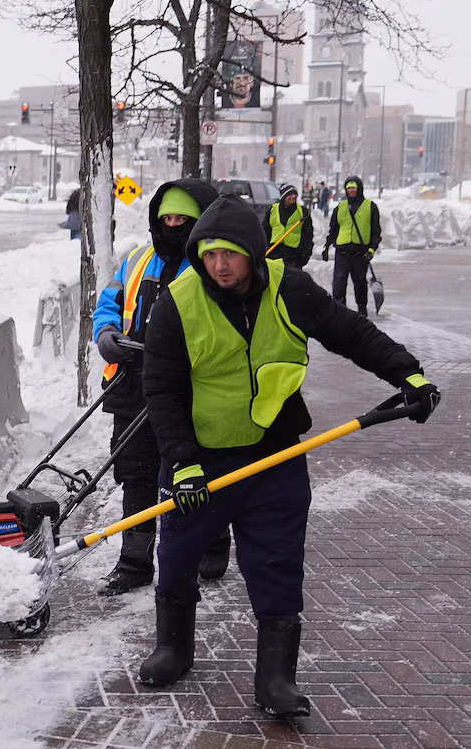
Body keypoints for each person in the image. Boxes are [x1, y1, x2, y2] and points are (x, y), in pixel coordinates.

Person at [139, 195, 439, 717]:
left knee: (277, 562)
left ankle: (276, 679)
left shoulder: (290, 288)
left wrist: (407, 373)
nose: (219, 266)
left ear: (252, 253)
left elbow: (351, 333)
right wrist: (183, 463)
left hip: (274, 457)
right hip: (198, 463)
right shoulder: (177, 302)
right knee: (180, 553)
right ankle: (175, 647)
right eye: (209, 255)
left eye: (230, 254)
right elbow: (162, 390)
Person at [92, 179, 231, 596]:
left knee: (191, 472)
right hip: (132, 382)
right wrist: (106, 332)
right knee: (135, 473)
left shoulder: (211, 266)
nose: (173, 226)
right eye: (166, 218)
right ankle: (134, 562)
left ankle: (212, 539)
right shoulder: (137, 258)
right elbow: (109, 301)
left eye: (183, 219)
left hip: (187, 390)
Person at [320, 175, 379, 316]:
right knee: (339, 283)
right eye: (348, 188)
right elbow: (333, 230)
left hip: (360, 252)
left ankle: (362, 309)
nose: (351, 191)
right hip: (342, 251)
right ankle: (339, 311)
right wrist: (326, 246)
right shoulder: (340, 207)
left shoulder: (370, 206)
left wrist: (371, 250)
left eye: (353, 188)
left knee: (359, 283)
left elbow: (376, 232)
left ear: (359, 189)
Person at [262, 183, 313, 269]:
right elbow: (264, 231)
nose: (293, 196)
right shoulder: (272, 210)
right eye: (290, 194)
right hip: (274, 252)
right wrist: (265, 248)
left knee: (292, 281)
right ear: (283, 196)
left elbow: (308, 234)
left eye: (295, 194)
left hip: (294, 255)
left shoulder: (302, 212)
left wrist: (305, 253)